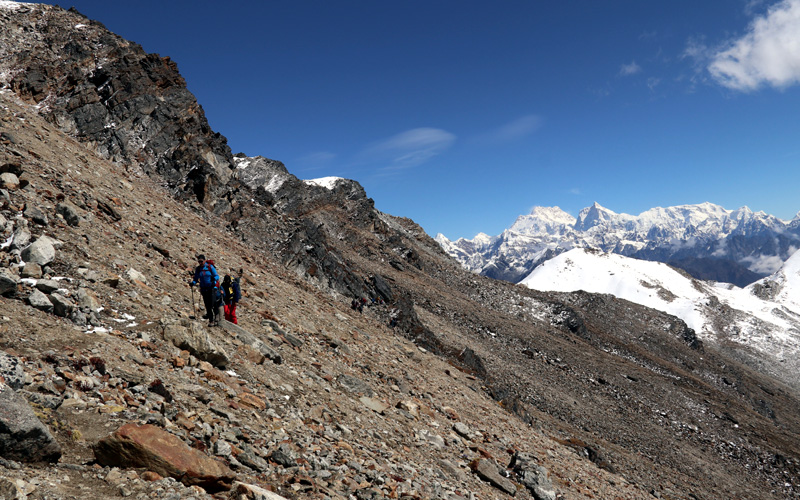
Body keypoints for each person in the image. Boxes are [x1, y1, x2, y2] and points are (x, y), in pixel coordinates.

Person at [190, 254, 220, 326]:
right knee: (207, 305)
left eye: (201, 261)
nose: (200, 263)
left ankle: (217, 316)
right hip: (204, 289)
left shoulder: (210, 267)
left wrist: (214, 279)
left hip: (211, 288)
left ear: (205, 260)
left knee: (213, 303)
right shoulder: (198, 269)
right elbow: (196, 279)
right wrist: (193, 283)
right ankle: (211, 320)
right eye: (199, 261)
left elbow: (217, 276)